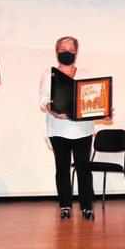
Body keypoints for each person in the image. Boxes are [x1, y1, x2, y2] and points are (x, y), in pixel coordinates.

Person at [39, 36, 95, 221]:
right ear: (56, 50)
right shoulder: (49, 74)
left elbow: (93, 98)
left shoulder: (85, 73)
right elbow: (44, 98)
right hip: (58, 129)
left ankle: (87, 207)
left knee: (83, 168)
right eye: (63, 49)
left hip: (82, 130)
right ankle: (65, 206)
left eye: (71, 49)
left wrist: (103, 109)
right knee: (62, 168)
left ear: (76, 52)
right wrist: (51, 109)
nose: (67, 52)